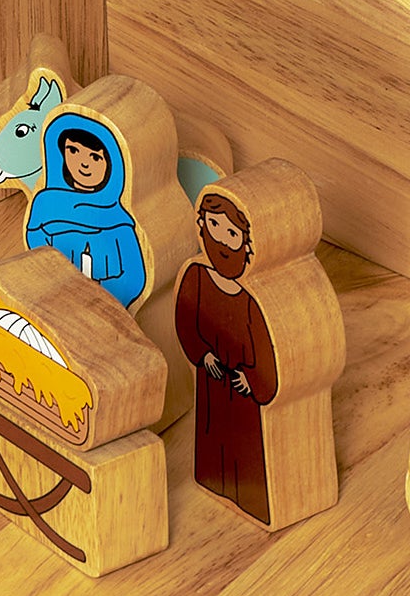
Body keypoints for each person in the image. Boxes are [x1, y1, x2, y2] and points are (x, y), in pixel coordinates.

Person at [174, 193, 280, 524]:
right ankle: (214, 483)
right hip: (213, 381)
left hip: (244, 393)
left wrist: (253, 377)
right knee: (213, 441)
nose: (220, 238)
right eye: (214, 225)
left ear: (247, 242)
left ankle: (251, 498)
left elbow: (270, 346)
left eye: (231, 233)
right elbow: (185, 320)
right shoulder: (197, 276)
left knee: (246, 449)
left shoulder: (256, 297)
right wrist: (202, 353)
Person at [22, 117, 146, 308]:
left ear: (112, 163)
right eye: (73, 151)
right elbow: (38, 251)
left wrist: (100, 292)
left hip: (108, 307)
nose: (83, 164)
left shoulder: (118, 220)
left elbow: (135, 275)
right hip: (59, 300)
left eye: (95, 157)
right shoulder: (45, 204)